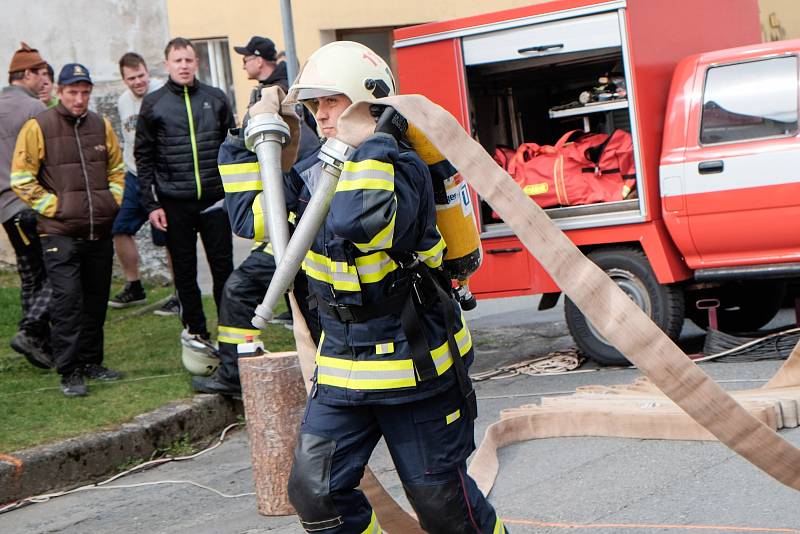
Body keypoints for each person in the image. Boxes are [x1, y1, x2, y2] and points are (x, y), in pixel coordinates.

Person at [226, 41, 507, 533]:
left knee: (441, 506)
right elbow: (251, 218)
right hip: (344, 364)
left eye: (331, 102)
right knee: (316, 493)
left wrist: (373, 138)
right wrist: (249, 134)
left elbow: (362, 220)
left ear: (365, 101)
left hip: (417, 363)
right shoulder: (314, 172)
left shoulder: (403, 166)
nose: (320, 117)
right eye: (313, 106)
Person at [11, 63, 125, 397]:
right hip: (58, 232)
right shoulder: (38, 126)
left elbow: (116, 169)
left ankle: (91, 361)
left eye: (85, 92)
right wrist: (55, 208)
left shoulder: (101, 125)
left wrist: (111, 201)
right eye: (73, 92)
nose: (79, 99)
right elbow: (21, 178)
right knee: (67, 302)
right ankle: (69, 369)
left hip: (98, 230)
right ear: (60, 92)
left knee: (95, 299)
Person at [135, 37, 234, 349]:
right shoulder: (153, 104)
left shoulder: (216, 98)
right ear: (167, 65)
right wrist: (151, 204)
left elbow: (232, 150)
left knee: (224, 269)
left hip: (215, 200)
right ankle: (197, 333)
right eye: (177, 61)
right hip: (174, 202)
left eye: (188, 60)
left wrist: (235, 194)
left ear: (197, 63)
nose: (184, 66)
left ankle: (230, 333)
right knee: (185, 272)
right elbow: (144, 157)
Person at [108, 52, 179, 315]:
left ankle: (178, 293)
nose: (138, 82)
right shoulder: (123, 101)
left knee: (169, 237)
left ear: (148, 72)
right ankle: (134, 285)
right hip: (134, 174)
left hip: (160, 177)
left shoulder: (163, 94)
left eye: (141, 76)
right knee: (119, 228)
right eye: (131, 78)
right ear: (124, 79)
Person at [1, 42, 52, 369]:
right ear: (27, 74)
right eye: (41, 74)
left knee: (30, 274)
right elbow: (51, 160)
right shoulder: (34, 111)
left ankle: (38, 342)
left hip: (5, 209)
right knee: (57, 273)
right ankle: (31, 331)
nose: (44, 81)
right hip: (31, 204)